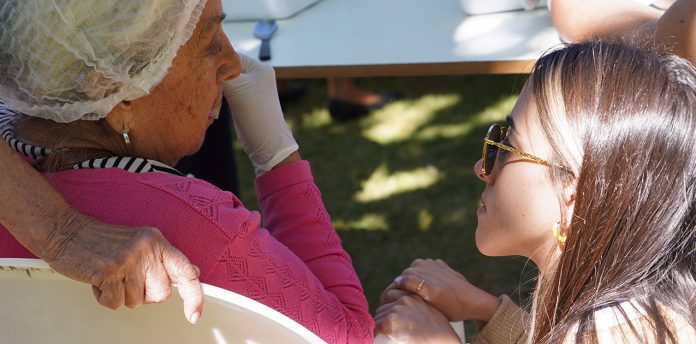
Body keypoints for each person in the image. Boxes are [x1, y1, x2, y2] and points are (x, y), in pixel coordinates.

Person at [0, 0, 372, 342]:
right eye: (210, 42)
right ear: (116, 89)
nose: (233, 63)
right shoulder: (202, 228)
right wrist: (278, 159)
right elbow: (348, 336)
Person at [374, 41, 696, 343]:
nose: (481, 168)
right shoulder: (641, 309)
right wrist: (489, 312)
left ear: (573, 198)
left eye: (508, 148)